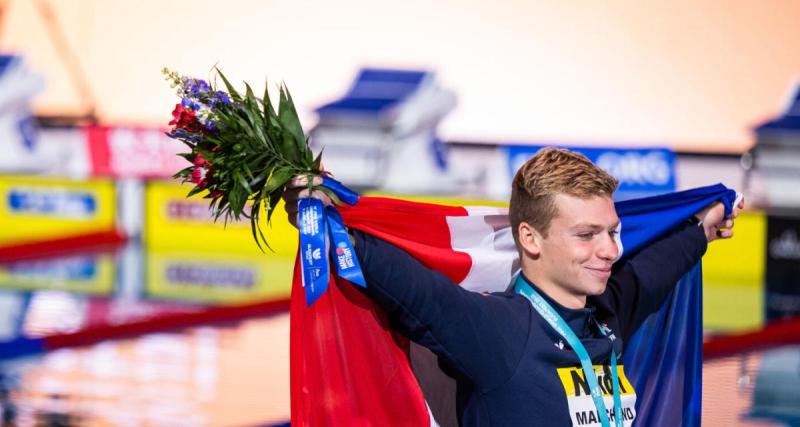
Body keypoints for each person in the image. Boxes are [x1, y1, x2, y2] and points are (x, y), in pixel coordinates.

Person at [283, 147, 743, 426]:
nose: (610, 251)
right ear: (530, 238)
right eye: (586, 235)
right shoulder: (499, 334)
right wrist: (319, 216)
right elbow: (408, 285)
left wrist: (706, 222)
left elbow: (663, 264)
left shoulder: (608, 314)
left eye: (613, 231)